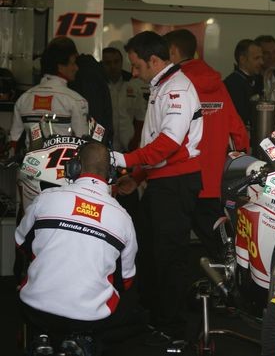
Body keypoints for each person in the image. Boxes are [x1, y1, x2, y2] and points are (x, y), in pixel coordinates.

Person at [112, 31, 203, 343]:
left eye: (136, 65)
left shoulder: (177, 88)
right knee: (149, 252)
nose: (133, 72)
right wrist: (137, 176)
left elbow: (168, 143)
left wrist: (125, 160)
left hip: (176, 183)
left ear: (153, 60)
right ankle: (155, 315)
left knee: (170, 256)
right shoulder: (161, 86)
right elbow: (154, 141)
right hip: (161, 181)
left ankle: (174, 327)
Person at [15, 141, 137, 352]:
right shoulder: (124, 218)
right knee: (130, 307)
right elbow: (125, 280)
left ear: (74, 167)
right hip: (89, 317)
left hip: (36, 309)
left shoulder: (46, 198)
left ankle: (40, 337)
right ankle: (82, 340)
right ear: (111, 175)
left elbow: (21, 243)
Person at [163, 29, 249, 260]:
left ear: (172, 51)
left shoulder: (175, 83)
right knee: (219, 247)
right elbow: (239, 132)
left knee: (173, 246)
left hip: (180, 178)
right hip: (213, 182)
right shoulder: (218, 84)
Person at [9, 37, 88, 149]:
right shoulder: (76, 101)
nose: (76, 68)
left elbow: (13, 142)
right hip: (65, 160)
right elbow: (83, 142)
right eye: (73, 63)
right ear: (60, 66)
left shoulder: (23, 99)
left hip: (31, 159)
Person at [101, 47, 147, 152]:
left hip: (129, 145)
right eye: (108, 63)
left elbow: (141, 117)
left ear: (122, 62)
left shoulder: (133, 83)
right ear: (102, 64)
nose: (113, 66)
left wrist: (134, 143)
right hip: (103, 145)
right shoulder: (98, 86)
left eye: (116, 62)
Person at [70, 50, 114, 143]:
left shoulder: (83, 77)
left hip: (89, 141)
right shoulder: (96, 73)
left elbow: (94, 114)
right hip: (99, 138)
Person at [223, 39, 263, 127]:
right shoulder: (232, 84)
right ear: (242, 59)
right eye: (256, 58)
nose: (261, 62)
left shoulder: (258, 80)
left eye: (261, 58)